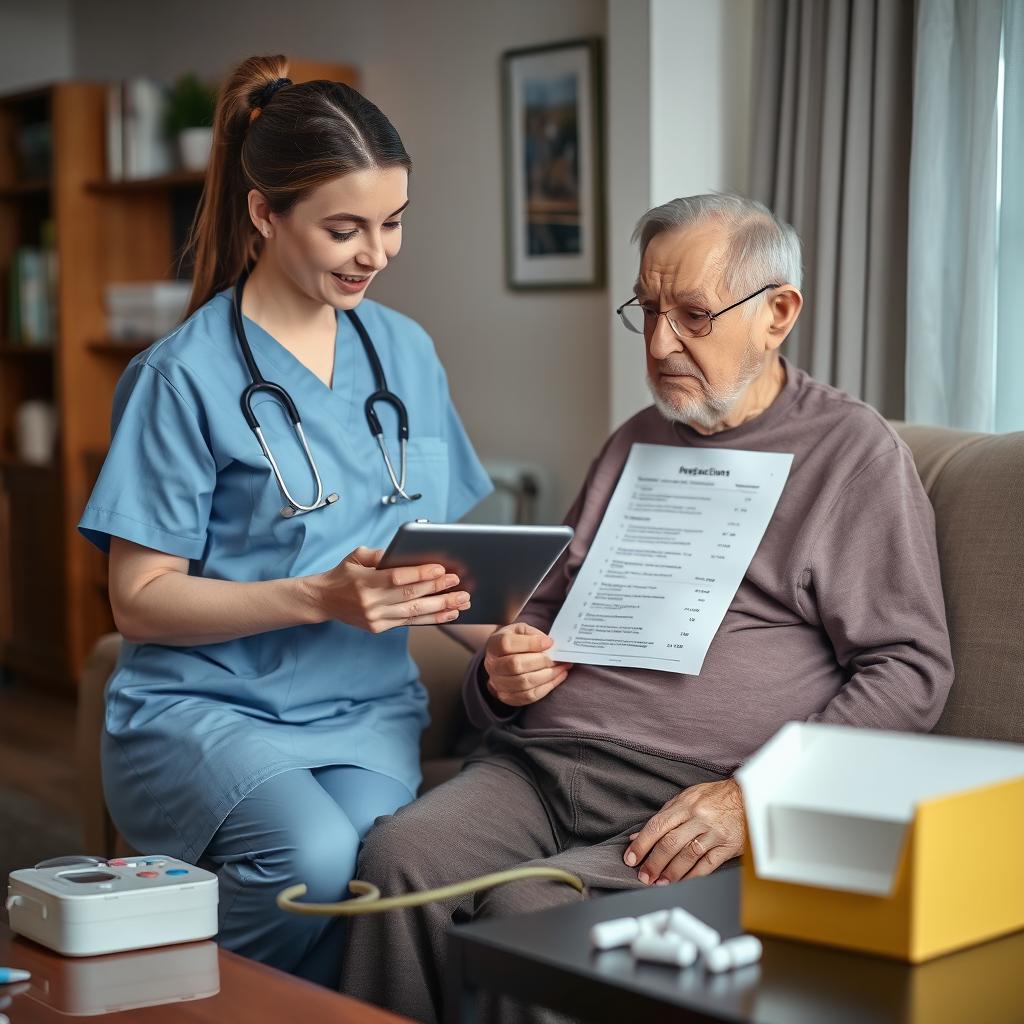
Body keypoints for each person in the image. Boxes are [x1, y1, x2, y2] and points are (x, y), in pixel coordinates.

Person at [341, 194, 955, 1023]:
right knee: (398, 855)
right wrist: (502, 674)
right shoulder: (636, 439)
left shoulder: (852, 455)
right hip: (541, 764)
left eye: (695, 315)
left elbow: (911, 668)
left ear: (778, 313)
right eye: (650, 311)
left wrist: (757, 798)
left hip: (690, 795)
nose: (661, 344)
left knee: (525, 917)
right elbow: (540, 620)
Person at [77, 54, 492, 987]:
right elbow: (138, 603)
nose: (374, 254)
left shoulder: (407, 354)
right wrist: (318, 596)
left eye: (392, 224)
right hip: (204, 710)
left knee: (372, 867)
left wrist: (511, 643)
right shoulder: (181, 378)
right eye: (344, 228)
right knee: (308, 861)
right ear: (264, 214)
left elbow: (434, 570)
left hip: (364, 709)